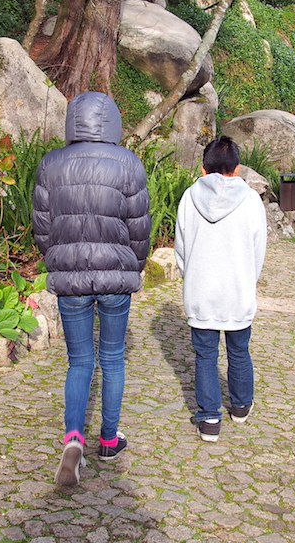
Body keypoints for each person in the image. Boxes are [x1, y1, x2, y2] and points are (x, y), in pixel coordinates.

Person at [32, 91, 151, 486]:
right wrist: (134, 265)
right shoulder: (129, 164)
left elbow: (43, 228)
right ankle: (108, 438)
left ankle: (72, 442)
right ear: (113, 122)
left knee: (79, 361)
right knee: (113, 358)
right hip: (116, 277)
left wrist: (58, 258)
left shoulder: (51, 163)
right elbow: (139, 229)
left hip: (71, 280)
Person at [174, 136, 268, 442]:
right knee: (239, 351)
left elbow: (181, 249)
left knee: (205, 356)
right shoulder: (252, 200)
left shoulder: (190, 197)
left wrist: (193, 280)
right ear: (238, 169)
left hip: (201, 292)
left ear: (203, 169)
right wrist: (246, 282)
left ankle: (210, 419)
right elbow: (258, 251)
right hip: (238, 292)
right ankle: (240, 407)